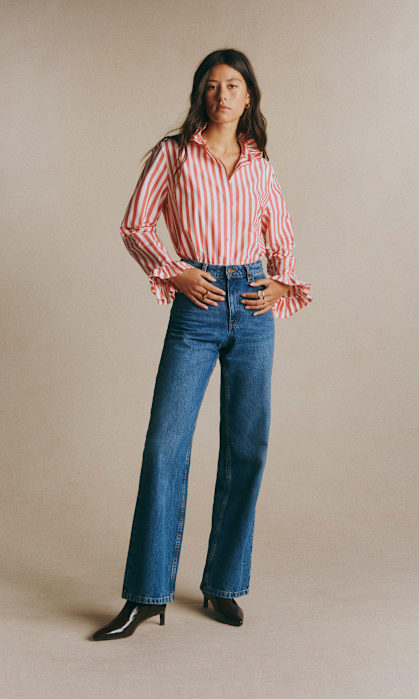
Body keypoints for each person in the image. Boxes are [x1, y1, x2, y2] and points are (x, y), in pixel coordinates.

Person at [92, 48, 312, 641]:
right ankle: (145, 595)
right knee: (165, 446)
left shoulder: (258, 162)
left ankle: (222, 583)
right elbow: (136, 224)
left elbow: (280, 231)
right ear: (200, 93)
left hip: (254, 307)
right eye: (212, 85)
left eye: (233, 85)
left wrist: (281, 279)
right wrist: (176, 272)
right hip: (199, 303)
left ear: (248, 96)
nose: (222, 95)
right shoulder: (173, 154)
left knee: (247, 447)